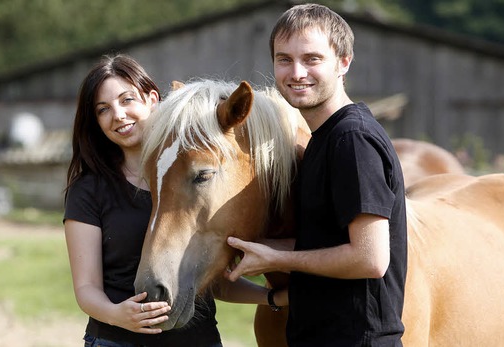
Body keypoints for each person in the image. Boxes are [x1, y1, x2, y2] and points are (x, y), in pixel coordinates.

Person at [64, 54, 284, 347]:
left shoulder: (187, 179)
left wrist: (273, 297)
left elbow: (210, 278)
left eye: (127, 100)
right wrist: (119, 315)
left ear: (152, 100)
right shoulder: (89, 190)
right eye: (103, 109)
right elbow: (86, 288)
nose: (118, 114)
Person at [226, 4, 407, 346]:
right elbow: (326, 243)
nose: (296, 72)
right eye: (284, 59)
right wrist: (254, 247)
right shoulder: (323, 140)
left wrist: (278, 259)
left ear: (343, 63)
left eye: (312, 59)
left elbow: (370, 258)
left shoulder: (352, 139)